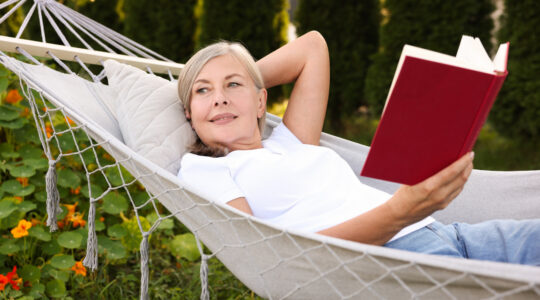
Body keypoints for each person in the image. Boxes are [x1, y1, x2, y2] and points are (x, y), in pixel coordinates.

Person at [177, 31, 540, 266]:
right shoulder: (206, 169)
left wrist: (239, 78)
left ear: (261, 104)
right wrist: (400, 211)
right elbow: (268, 254)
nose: (220, 99)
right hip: (397, 261)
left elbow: (313, 46)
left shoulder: (291, 142)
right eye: (203, 91)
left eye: (232, 86)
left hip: (452, 234)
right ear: (189, 114)